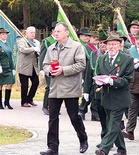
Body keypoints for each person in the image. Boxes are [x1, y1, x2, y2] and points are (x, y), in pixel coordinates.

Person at [40, 22, 88, 155]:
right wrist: (49, 70)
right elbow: (44, 65)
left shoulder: (76, 46)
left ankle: (83, 139)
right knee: (52, 118)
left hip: (70, 87)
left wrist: (63, 70)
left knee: (74, 117)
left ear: (66, 32)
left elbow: (81, 65)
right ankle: (52, 148)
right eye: (55, 31)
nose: (56, 33)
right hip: (54, 88)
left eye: (59, 31)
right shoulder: (51, 48)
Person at [95, 33, 134, 155]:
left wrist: (112, 81)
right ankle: (122, 149)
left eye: (114, 44)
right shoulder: (102, 59)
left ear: (120, 45)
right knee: (113, 124)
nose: (111, 47)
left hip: (120, 97)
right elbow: (98, 73)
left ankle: (104, 148)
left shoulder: (127, 59)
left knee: (113, 124)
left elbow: (128, 79)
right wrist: (99, 81)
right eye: (109, 44)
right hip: (106, 96)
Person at [83, 29, 109, 148]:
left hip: (110, 91)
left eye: (105, 42)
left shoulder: (112, 55)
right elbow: (89, 72)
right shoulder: (94, 54)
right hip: (97, 91)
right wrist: (86, 91)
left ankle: (110, 139)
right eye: (101, 43)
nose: (103, 45)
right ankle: (104, 138)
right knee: (102, 118)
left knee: (111, 118)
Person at [79, 30, 100, 121]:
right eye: (93, 37)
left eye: (97, 38)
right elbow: (82, 62)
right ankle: (82, 109)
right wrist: (82, 76)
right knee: (88, 93)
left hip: (96, 72)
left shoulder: (98, 48)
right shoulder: (85, 48)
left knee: (96, 93)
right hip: (87, 71)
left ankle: (94, 113)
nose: (96, 40)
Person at [17, 26, 40, 107]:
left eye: (34, 32)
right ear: (26, 33)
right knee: (25, 85)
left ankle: (30, 98)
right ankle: (23, 101)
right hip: (24, 66)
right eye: (31, 32)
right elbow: (23, 50)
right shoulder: (22, 41)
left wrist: (38, 53)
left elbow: (38, 52)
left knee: (36, 82)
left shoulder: (37, 42)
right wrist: (33, 49)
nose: (33, 34)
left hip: (33, 66)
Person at [39, 21, 58, 115]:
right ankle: (45, 106)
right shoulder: (47, 41)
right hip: (49, 67)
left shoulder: (60, 41)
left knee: (56, 87)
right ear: (52, 31)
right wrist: (42, 69)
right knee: (50, 87)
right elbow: (42, 55)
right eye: (55, 30)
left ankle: (53, 107)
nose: (57, 32)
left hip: (57, 67)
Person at [0, 28, 15, 109]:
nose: (5, 35)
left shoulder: (8, 44)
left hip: (8, 67)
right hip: (1, 67)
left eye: (5, 34)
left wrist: (13, 68)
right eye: (3, 34)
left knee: (10, 83)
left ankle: (7, 102)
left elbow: (10, 56)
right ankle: (0, 103)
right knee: (0, 85)